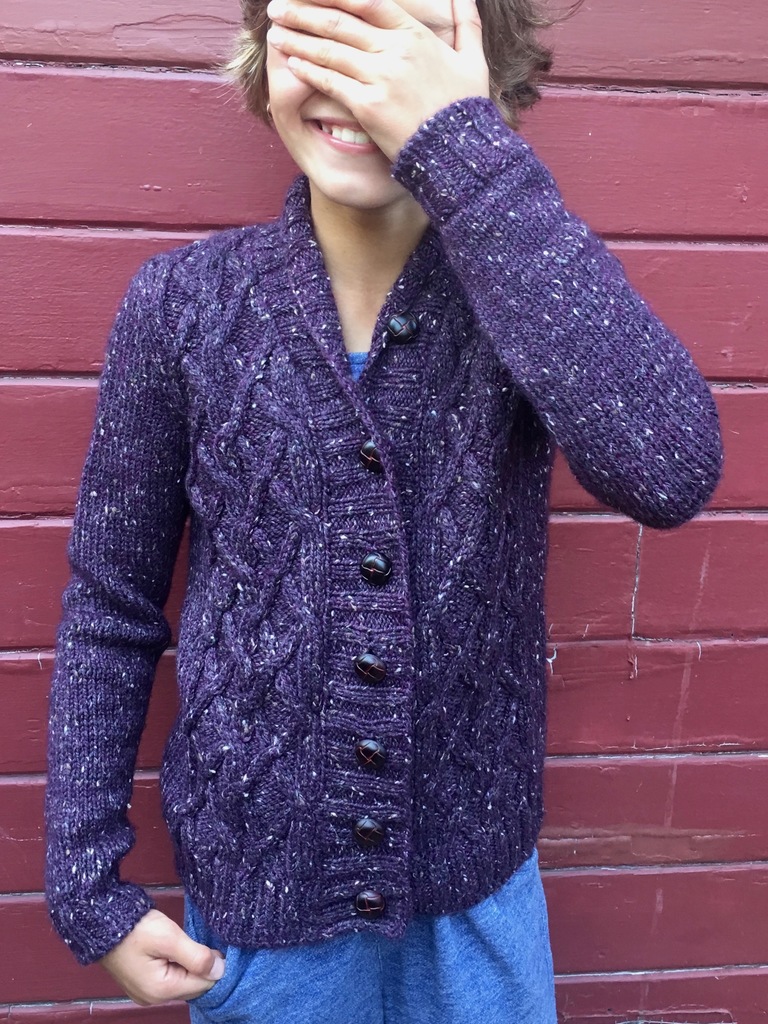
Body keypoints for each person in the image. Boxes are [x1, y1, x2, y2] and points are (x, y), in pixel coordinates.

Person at [44, 0, 724, 1019]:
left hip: (477, 909)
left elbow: (669, 468)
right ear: (262, 51)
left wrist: (466, 152)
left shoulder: (528, 292)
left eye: (412, 35)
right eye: (323, 30)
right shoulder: (181, 306)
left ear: (489, 70)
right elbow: (112, 604)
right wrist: (86, 885)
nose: (363, 76)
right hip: (267, 914)